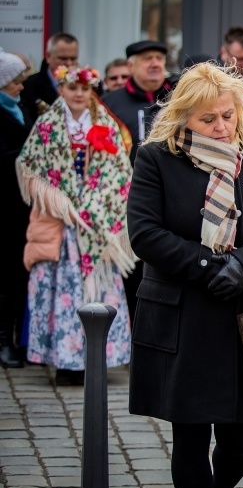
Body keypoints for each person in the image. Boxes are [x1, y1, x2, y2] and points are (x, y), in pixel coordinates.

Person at [126, 62, 243, 488]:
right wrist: (206, 265)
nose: (221, 127)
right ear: (183, 117)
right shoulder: (156, 158)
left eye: (228, 115)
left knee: (239, 442)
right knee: (190, 438)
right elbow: (144, 234)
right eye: (208, 119)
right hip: (182, 315)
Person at [15, 65, 136, 386]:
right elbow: (29, 164)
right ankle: (65, 361)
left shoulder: (106, 124)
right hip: (62, 223)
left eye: (84, 89)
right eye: (72, 88)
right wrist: (59, 199)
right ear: (62, 90)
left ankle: (97, 360)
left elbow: (120, 172)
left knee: (97, 288)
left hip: (96, 224)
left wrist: (95, 204)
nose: (79, 94)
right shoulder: (48, 126)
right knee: (61, 290)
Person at [103, 39, 173, 324]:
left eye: (159, 57)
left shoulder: (177, 97)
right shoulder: (111, 103)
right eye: (147, 58)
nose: (155, 63)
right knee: (130, 274)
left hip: (171, 199)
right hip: (124, 202)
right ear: (130, 66)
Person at [0, 49, 33, 369]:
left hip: (24, 205)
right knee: (5, 278)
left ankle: (20, 340)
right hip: (5, 206)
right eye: (15, 82)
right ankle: (3, 341)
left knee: (20, 275)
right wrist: (30, 152)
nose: (22, 87)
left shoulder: (19, 108)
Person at [21, 32, 79, 121]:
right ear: (48, 56)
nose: (69, 63)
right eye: (63, 58)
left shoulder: (88, 85)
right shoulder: (28, 85)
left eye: (73, 58)